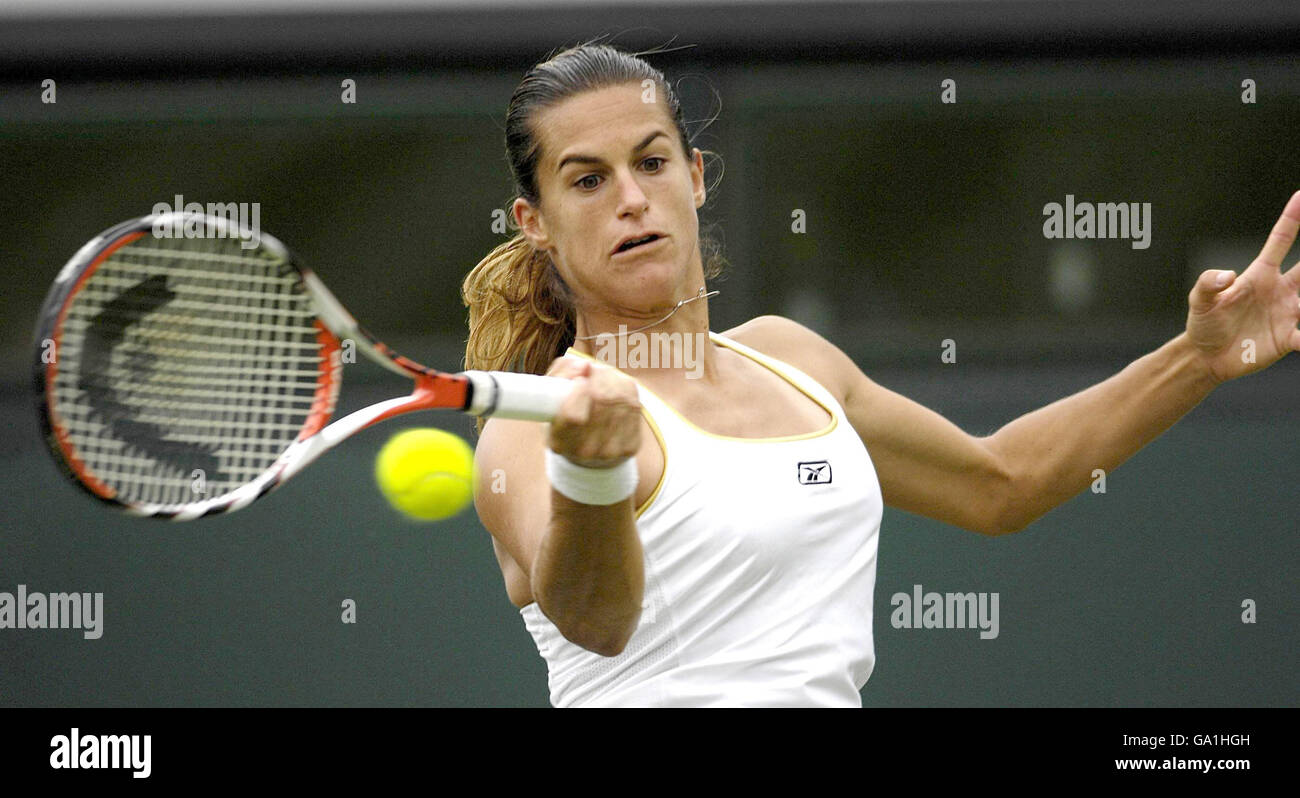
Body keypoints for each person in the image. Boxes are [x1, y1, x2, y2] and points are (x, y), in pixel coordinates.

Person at [462, 42, 1300, 707]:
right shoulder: (532, 427)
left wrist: (1201, 359)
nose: (632, 199)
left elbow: (1000, 483)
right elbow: (597, 623)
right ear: (535, 222)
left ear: (697, 175)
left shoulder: (795, 357)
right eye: (587, 180)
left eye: (652, 163)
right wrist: (592, 470)